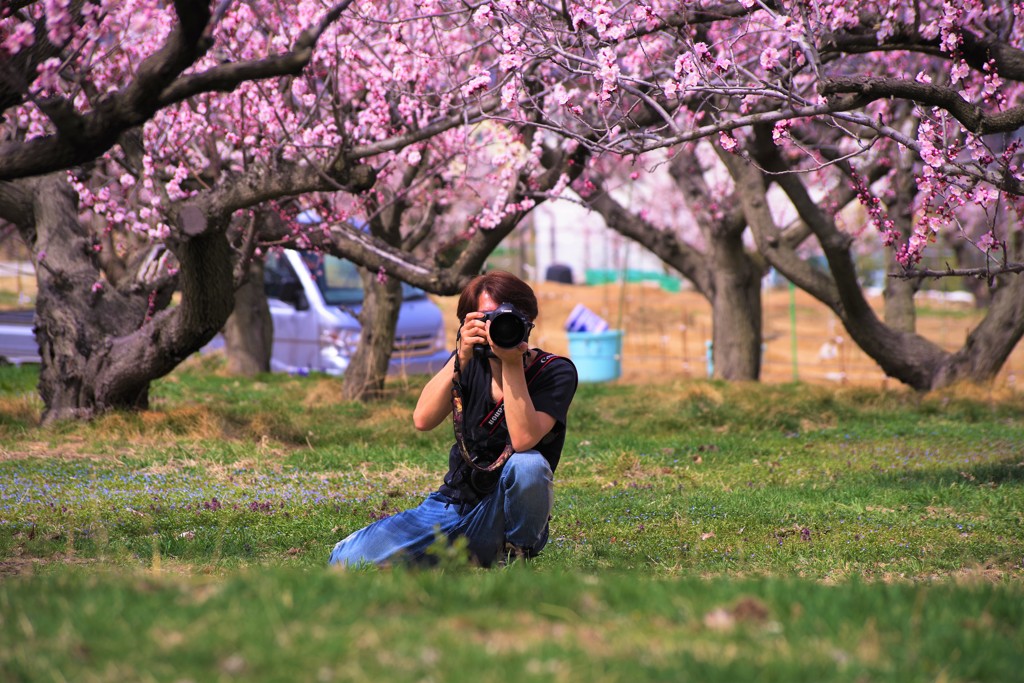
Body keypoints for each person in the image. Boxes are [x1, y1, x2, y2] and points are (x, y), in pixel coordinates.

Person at [329, 271, 578, 567]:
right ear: (467, 323)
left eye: (507, 318)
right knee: (344, 560)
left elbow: (524, 440)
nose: (497, 326)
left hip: (503, 513)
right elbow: (422, 419)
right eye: (486, 319)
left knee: (529, 465)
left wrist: (511, 364)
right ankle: (448, 553)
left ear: (528, 321)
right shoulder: (467, 362)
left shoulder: (555, 371)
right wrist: (460, 357)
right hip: (453, 505)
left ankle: (515, 555)